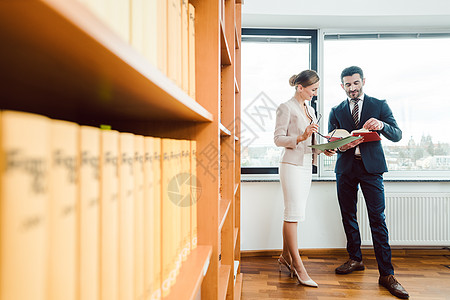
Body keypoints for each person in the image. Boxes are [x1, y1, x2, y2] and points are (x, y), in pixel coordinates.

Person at [328, 66, 409, 299]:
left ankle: (386, 274)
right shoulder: (336, 110)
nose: (352, 88)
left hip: (372, 170)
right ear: (342, 86)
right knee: (348, 215)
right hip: (345, 169)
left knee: (377, 219)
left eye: (355, 83)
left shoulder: (379, 105)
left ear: (363, 81)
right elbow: (331, 143)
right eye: (347, 85)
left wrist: (382, 125)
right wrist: (339, 146)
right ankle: (355, 259)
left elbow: (397, 134)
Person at [274, 70, 335, 288]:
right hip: (291, 166)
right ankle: (299, 267)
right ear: (300, 87)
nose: (315, 94)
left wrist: (323, 150)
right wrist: (300, 136)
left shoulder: (311, 109)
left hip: (307, 165)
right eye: (313, 90)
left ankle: (284, 257)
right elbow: (278, 139)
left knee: (294, 214)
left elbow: (311, 141)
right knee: (292, 214)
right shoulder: (286, 107)